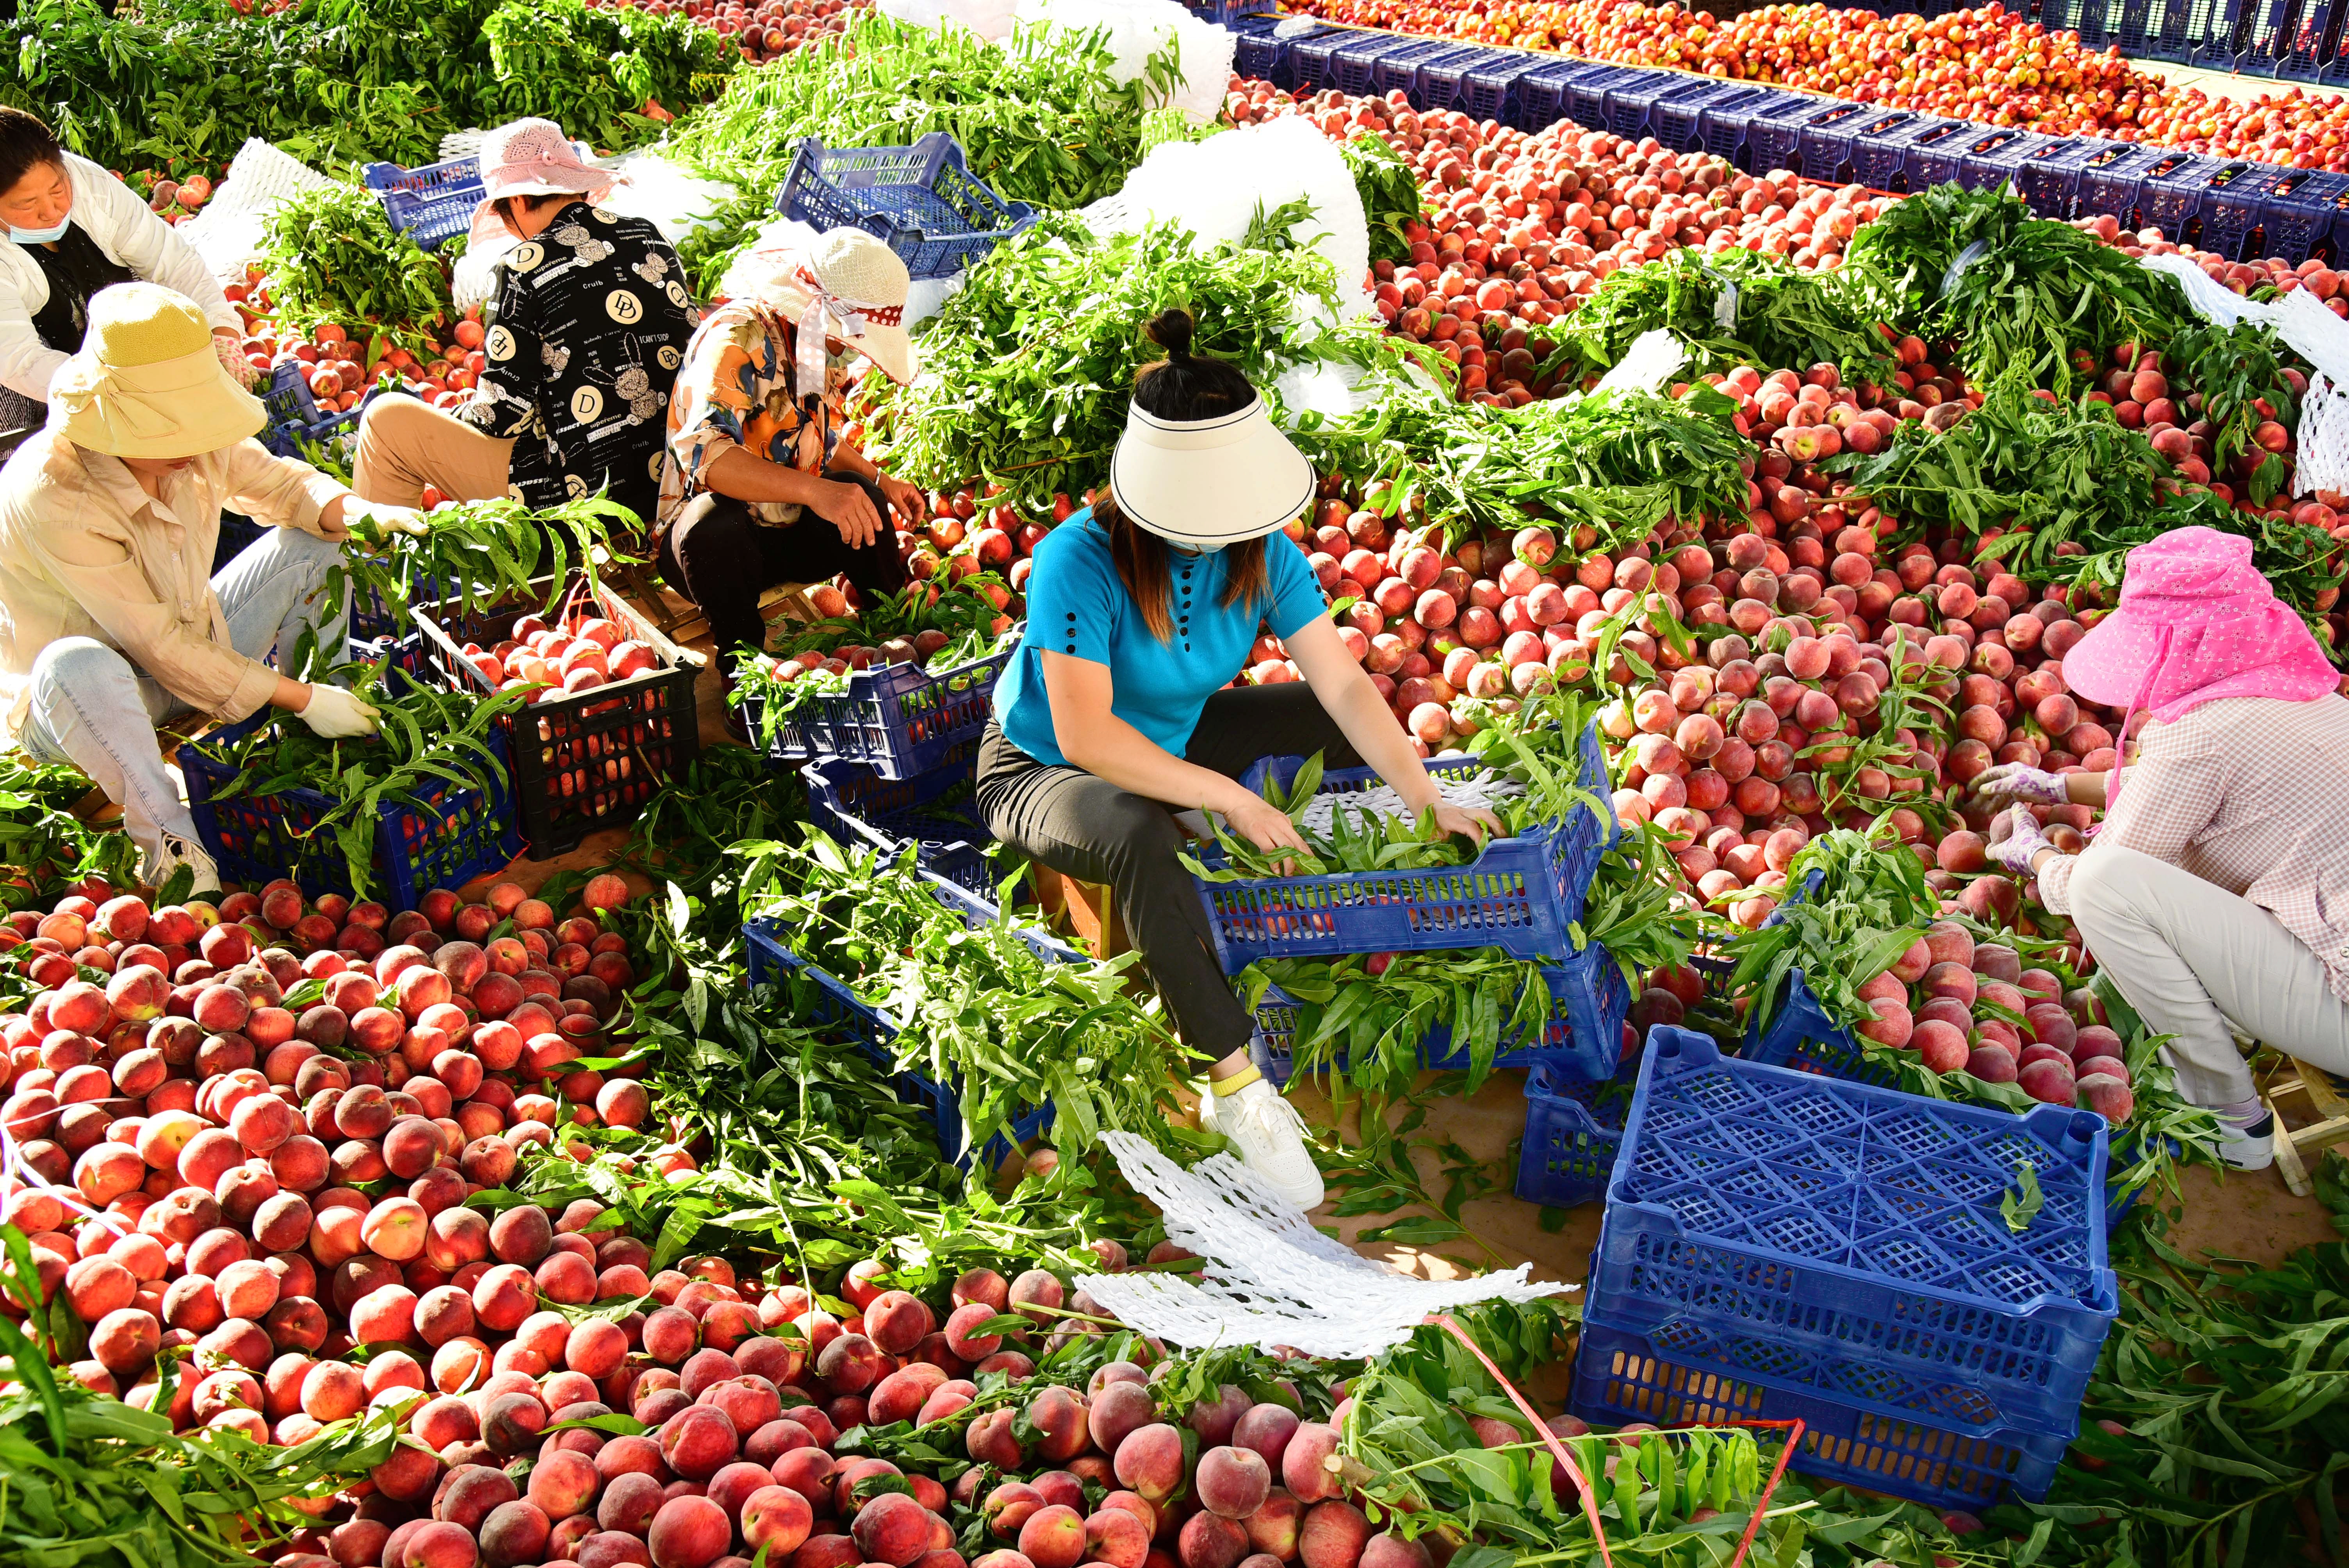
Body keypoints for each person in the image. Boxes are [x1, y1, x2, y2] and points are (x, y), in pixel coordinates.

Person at [974, 310, 1502, 1210]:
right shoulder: (1078, 558)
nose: (1220, 533)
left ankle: (1324, 890)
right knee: (1139, 832)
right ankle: (1236, 1088)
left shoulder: (1262, 555)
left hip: (1174, 739)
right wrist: (1230, 799)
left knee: (1317, 716)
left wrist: (1422, 795)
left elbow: (1340, 686)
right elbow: (1088, 736)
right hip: (1042, 766)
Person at [0, 283, 424, 893]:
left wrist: (357, 511)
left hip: (189, 660)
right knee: (78, 665)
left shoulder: (195, 444)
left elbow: (283, 489)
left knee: (314, 546)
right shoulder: (53, 494)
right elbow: (155, 645)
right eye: (167, 433)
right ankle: (172, 845)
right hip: (85, 709)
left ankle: (329, 746)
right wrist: (297, 696)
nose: (191, 447)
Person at [1976, 526, 2349, 1172]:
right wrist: (2058, 784)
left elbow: (2104, 874)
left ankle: (2231, 1120)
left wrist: (2033, 856)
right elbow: (2179, 786)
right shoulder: (2303, 698)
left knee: (2105, 886)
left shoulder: (2205, 734)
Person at [352, 119, 693, 526]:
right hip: (676, 471)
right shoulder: (648, 235)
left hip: (587, 492)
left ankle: (381, 578)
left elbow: (504, 415)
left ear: (514, 202)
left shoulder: (520, 267)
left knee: (386, 421)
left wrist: (461, 414)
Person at [655, 225, 920, 671]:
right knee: (713, 525)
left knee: (862, 496)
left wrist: (881, 480)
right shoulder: (736, 338)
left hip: (786, 533)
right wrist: (817, 492)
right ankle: (742, 671)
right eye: (851, 341)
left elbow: (817, 438)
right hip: (717, 558)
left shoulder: (816, 348)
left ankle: (899, 638)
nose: (852, 354)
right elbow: (709, 459)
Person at [0, 108, 248, 417]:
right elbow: (19, 359)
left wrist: (221, 328)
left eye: (57, 190)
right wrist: (112, 389)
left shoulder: (91, 186)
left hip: (126, 353)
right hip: (31, 378)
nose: (51, 212)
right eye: (27, 205)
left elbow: (172, 261)